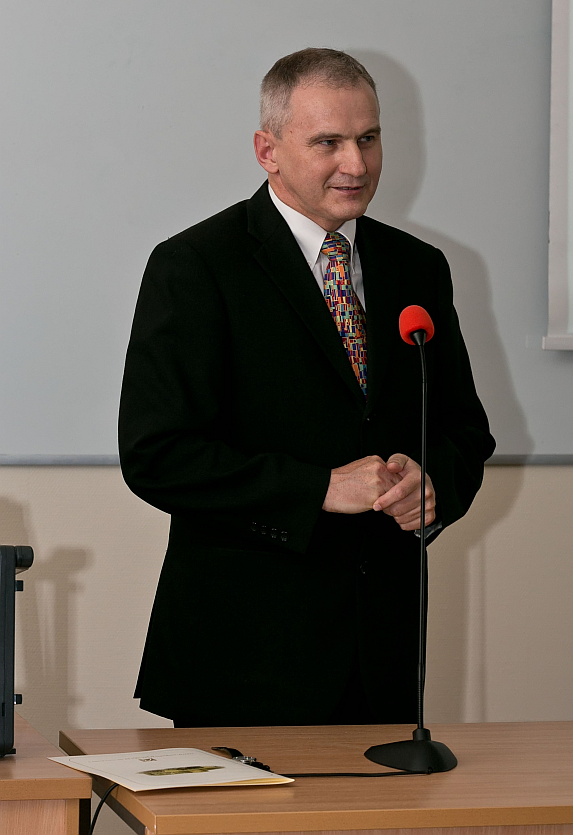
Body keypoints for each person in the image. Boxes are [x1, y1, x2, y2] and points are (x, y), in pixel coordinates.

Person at [119, 48, 495, 727]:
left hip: (382, 661)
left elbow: (464, 430)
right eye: (329, 142)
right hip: (243, 662)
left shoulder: (418, 267)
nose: (357, 164)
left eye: (369, 139)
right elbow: (158, 455)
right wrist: (318, 487)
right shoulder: (196, 266)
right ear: (268, 150)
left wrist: (432, 484)